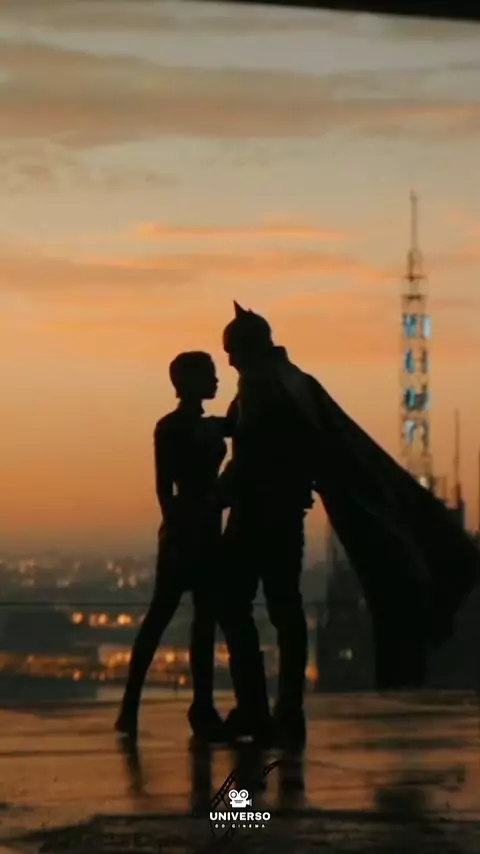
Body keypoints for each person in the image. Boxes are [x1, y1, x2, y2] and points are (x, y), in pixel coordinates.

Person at [217, 302, 480, 746]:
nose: (229, 362)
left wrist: (215, 495)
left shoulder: (264, 387)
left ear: (249, 348)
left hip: (260, 514)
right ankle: (284, 709)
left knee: (237, 603)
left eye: (233, 352)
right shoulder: (292, 381)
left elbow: (255, 456)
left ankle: (256, 708)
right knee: (285, 609)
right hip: (284, 515)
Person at [115, 351, 227, 742]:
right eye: (210, 374)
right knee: (162, 618)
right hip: (186, 532)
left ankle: (200, 706)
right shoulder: (171, 427)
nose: (217, 380)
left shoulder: (208, 426)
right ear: (188, 382)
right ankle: (131, 705)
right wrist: (181, 530)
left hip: (206, 530)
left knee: (201, 624)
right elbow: (164, 489)